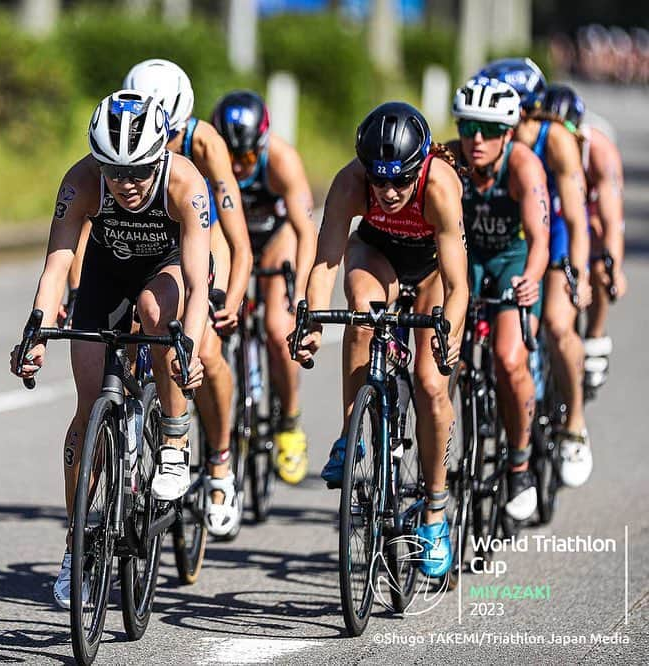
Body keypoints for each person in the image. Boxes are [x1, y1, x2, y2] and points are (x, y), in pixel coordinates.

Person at [9, 90, 209, 608]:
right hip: (103, 276)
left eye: (140, 171)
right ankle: (76, 548)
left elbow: (197, 278)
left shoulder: (185, 183)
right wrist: (35, 329)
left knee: (154, 311)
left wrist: (190, 343)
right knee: (87, 407)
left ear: (160, 155)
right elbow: (57, 264)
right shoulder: (80, 182)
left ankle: (172, 437)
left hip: (163, 273)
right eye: (115, 172)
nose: (128, 184)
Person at [295, 102, 468, 577]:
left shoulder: (440, 186)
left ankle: (434, 513)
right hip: (378, 254)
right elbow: (326, 261)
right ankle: (353, 437)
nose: (389, 192)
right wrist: (309, 320)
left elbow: (458, 287)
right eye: (380, 180)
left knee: (432, 385)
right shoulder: (350, 182)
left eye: (400, 181)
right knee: (361, 316)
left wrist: (448, 332)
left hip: (431, 268)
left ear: (419, 168)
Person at [119, 59, 253, 537]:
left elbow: (235, 235)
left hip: (198, 234)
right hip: (141, 237)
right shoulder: (122, 137)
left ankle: (219, 465)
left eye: (166, 130)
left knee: (209, 349)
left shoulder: (203, 143)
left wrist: (229, 297)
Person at [478, 58, 594, 488]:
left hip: (555, 230)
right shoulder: (486, 140)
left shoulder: (556, 141)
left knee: (558, 324)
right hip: (510, 231)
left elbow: (579, 220)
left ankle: (575, 423)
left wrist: (575, 273)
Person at [449, 78, 550, 521]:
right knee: (441, 356)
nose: (476, 139)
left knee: (510, 359)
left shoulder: (524, 166)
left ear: (508, 134)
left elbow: (541, 238)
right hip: (465, 259)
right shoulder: (449, 160)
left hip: (512, 260)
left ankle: (520, 463)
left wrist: (530, 277)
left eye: (488, 131)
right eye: (469, 126)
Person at [211, 90, 317, 485]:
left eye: (247, 158)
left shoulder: (282, 160)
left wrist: (302, 290)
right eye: (230, 157)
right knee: (213, 319)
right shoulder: (207, 158)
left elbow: (306, 232)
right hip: (228, 237)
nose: (237, 168)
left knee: (277, 327)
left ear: (262, 146)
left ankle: (289, 422)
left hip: (275, 238)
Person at [542, 83, 627, 395]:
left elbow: (612, 220)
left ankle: (594, 334)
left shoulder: (599, 154)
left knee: (602, 256)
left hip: (590, 212)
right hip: (559, 213)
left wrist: (613, 266)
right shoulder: (541, 148)